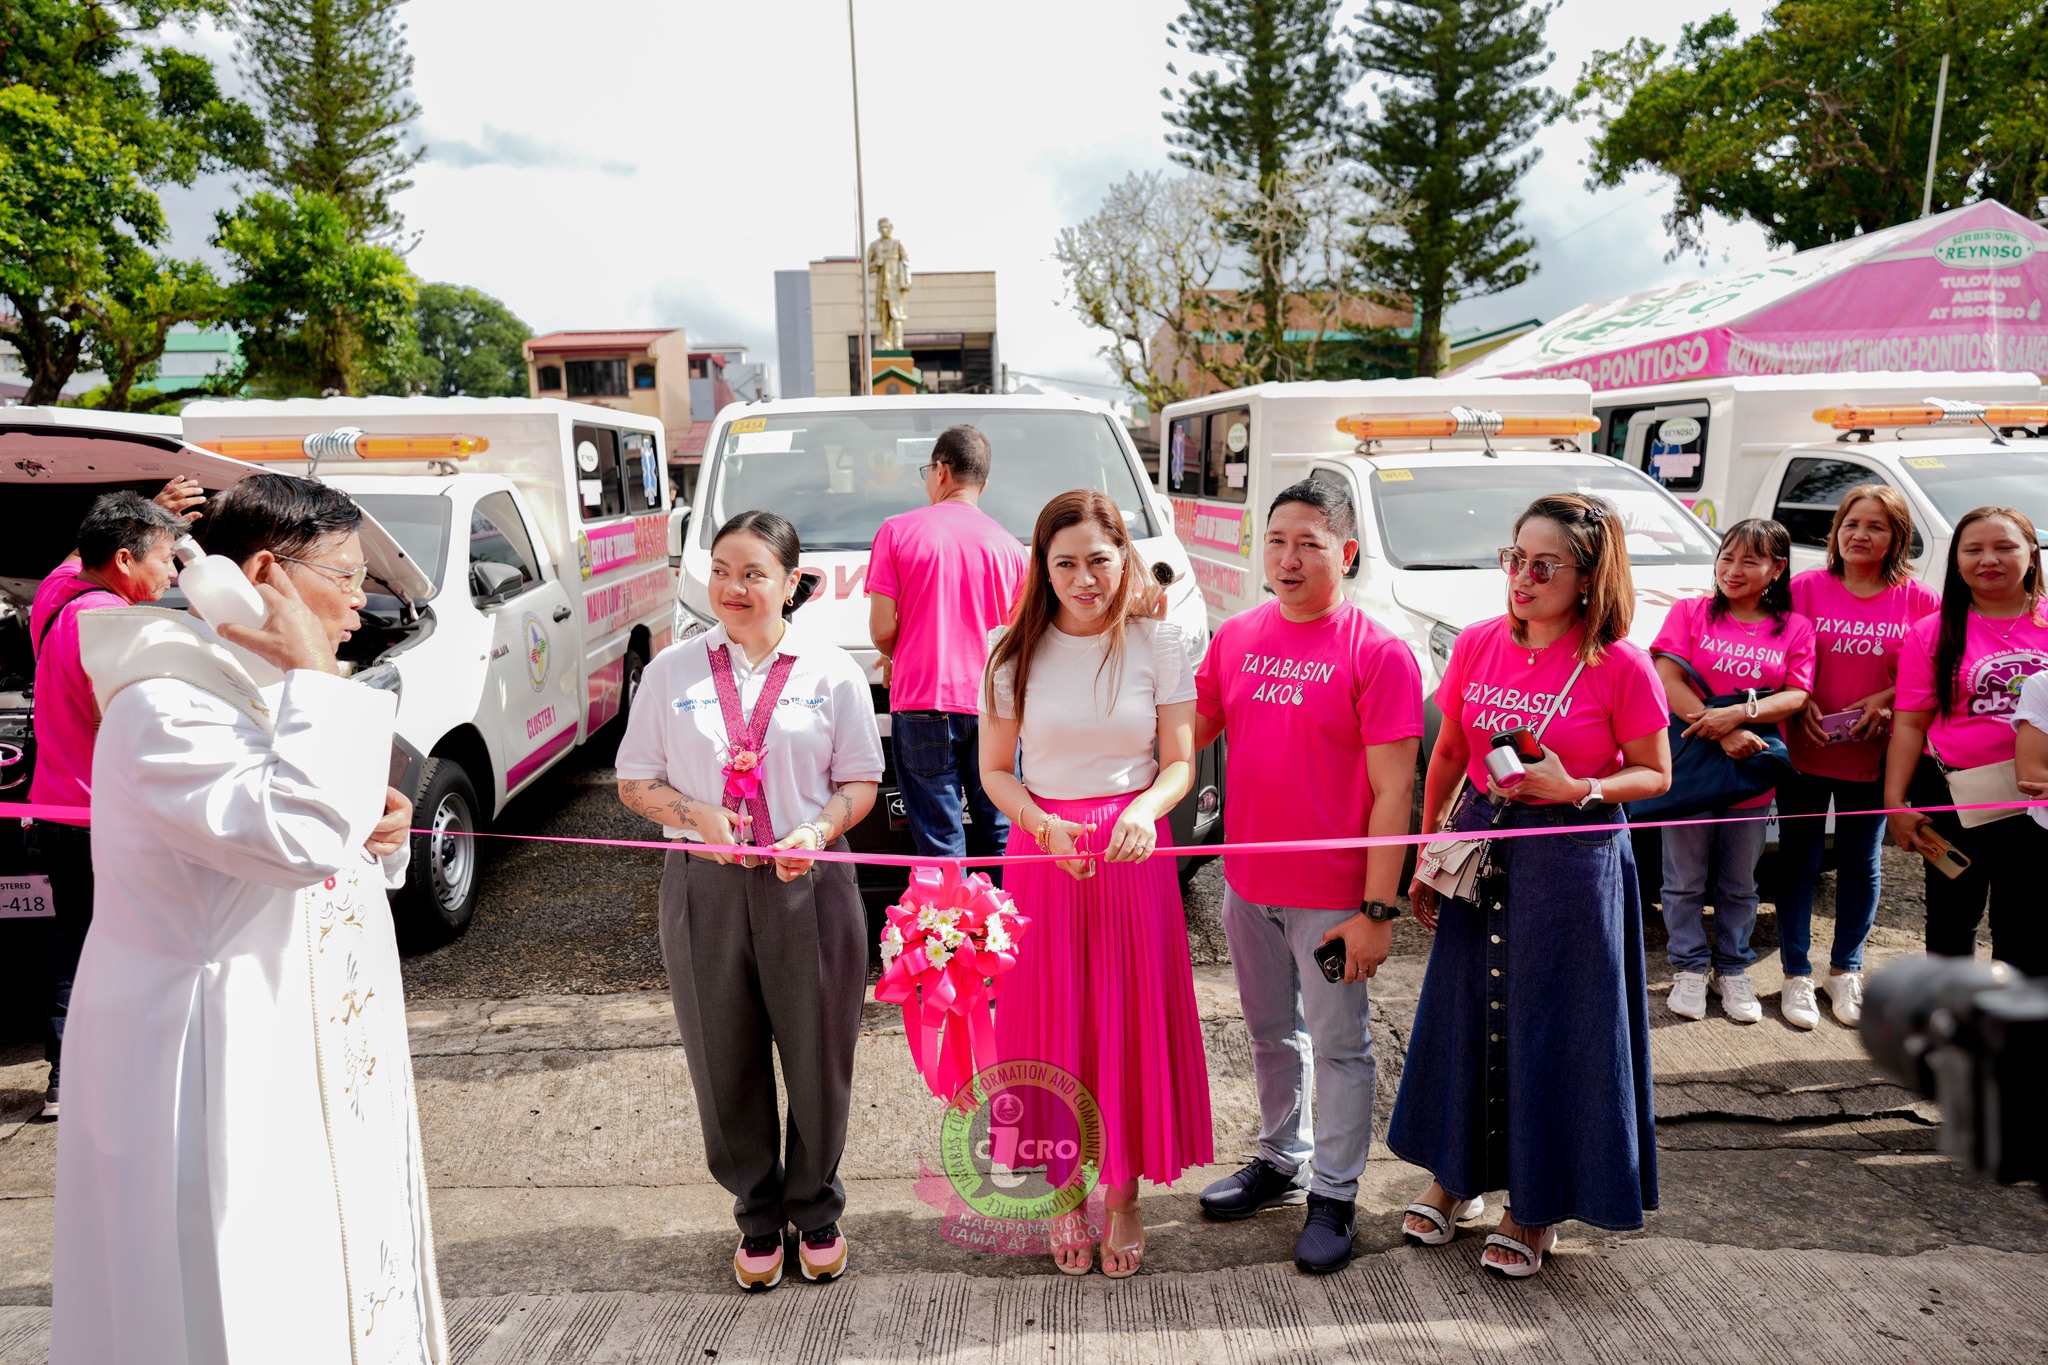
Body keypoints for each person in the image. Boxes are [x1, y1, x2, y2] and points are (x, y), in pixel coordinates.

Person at [52, 473, 443, 1364]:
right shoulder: (165, 705)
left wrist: (379, 828)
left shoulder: (261, 689)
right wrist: (314, 682)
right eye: (344, 577)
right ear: (265, 571)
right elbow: (295, 840)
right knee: (240, 1296)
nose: (359, 604)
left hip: (305, 1040)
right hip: (218, 1057)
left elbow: (323, 848)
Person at [1392, 493, 1672, 1280]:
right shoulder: (1481, 642)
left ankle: (1534, 1205)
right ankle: (1456, 1177)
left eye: (1543, 564)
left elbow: (1657, 773)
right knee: (1465, 1010)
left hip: (1573, 858)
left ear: (1587, 577)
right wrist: (1428, 847)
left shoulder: (1620, 661)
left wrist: (1576, 786)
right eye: (1514, 557)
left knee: (1552, 1024)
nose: (1521, 576)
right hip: (1482, 847)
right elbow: (1447, 752)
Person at [617, 510, 884, 1292]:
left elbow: (860, 783)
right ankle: (757, 1212)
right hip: (704, 888)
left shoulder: (831, 671)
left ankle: (817, 1204)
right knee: (721, 1050)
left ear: (793, 582)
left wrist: (818, 828)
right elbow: (634, 781)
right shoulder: (672, 671)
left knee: (818, 1051)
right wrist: (695, 815)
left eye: (754, 572)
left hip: (811, 884)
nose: (733, 587)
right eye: (722, 569)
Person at [978, 489, 1212, 1278]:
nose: (1085, 578)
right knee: (1051, 1025)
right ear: (1042, 569)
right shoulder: (1010, 651)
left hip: (1133, 855)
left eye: (1100, 561)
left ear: (1125, 559)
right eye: (1066, 562)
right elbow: (993, 773)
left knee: (1128, 1020)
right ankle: (1061, 1192)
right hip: (1045, 853)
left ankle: (1124, 1195)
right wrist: (1044, 826)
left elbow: (1180, 761)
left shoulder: (1162, 641)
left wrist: (1145, 809)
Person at [1189, 479, 1421, 1276]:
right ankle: (1281, 1160)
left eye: (1310, 543)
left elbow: (1397, 790)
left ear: (1346, 554)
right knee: (1265, 1032)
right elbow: (1185, 733)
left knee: (1341, 1044)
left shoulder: (1378, 651)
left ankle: (1335, 1193)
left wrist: (1377, 908)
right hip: (1246, 885)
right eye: (1277, 541)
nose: (1289, 558)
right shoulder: (1237, 636)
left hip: (1332, 898)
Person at [25, 490, 189, 1120]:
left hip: (54, 812)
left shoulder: (56, 594)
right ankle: (121, 1072)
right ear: (124, 560)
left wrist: (147, 508)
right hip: (107, 818)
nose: (174, 573)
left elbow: (78, 554)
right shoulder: (115, 625)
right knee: (136, 944)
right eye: (167, 559)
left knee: (73, 941)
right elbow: (115, 713)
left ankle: (66, 1077)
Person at [1778, 487, 1939, 1028]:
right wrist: (1796, 701)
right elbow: (1772, 653)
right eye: (1850, 523)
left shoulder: (1919, 602)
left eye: (1875, 526)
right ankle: (1796, 973)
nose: (1859, 535)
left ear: (1897, 536)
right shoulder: (1801, 589)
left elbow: (1935, 673)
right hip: (1804, 748)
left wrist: (1888, 701)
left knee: (1860, 864)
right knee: (1797, 862)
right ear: (1836, 531)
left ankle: (1846, 970)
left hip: (1876, 756)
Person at [1650, 518, 1815, 1025]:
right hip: (1695, 767)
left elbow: (1796, 694)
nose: (1733, 570)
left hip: (1750, 772)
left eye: (1750, 560)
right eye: (1727, 557)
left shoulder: (1795, 627)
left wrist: (1741, 716)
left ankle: (1733, 969)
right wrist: (1720, 730)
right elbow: (1666, 676)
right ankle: (1690, 968)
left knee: (1740, 882)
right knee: (1683, 880)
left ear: (1777, 568)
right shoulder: (1691, 612)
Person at [1886, 506, 2048, 977]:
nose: (1988, 559)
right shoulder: (1931, 632)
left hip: (2037, 803)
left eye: (2004, 547)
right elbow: (1910, 725)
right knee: (1952, 920)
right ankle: (1950, 1028)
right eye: (1973, 549)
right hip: (1954, 798)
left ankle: (2011, 1033)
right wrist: (1896, 802)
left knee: (2028, 924)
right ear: (1956, 560)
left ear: (2031, 555)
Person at [868, 424, 1027, 862]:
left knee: (940, 842)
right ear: (984, 483)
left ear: (940, 471)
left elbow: (882, 630)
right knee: (999, 834)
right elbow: (1016, 641)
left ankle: (947, 930)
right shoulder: (1013, 550)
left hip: (923, 702)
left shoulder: (897, 531)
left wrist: (899, 654)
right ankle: (1001, 930)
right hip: (994, 707)